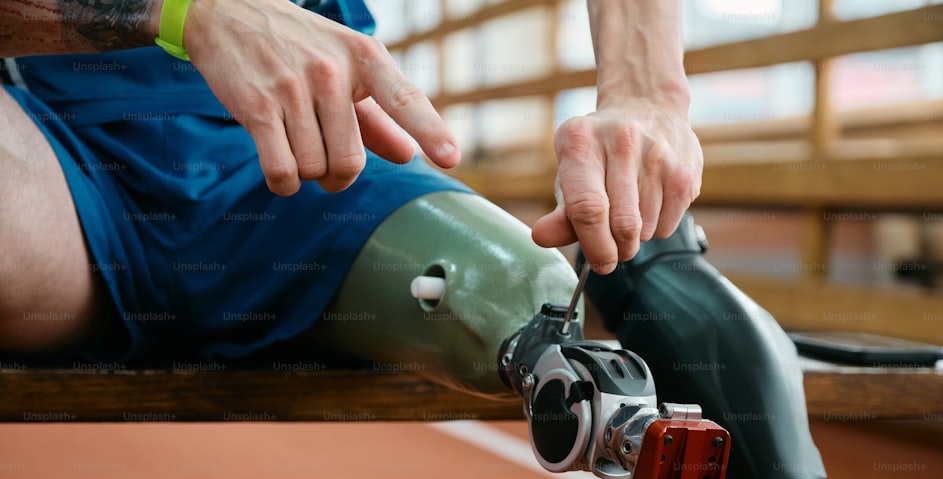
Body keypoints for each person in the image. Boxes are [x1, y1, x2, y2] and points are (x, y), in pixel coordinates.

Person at [0, 0, 702, 397]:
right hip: (47, 137)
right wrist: (188, 14)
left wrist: (648, 91)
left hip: (318, 147)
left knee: (514, 292)